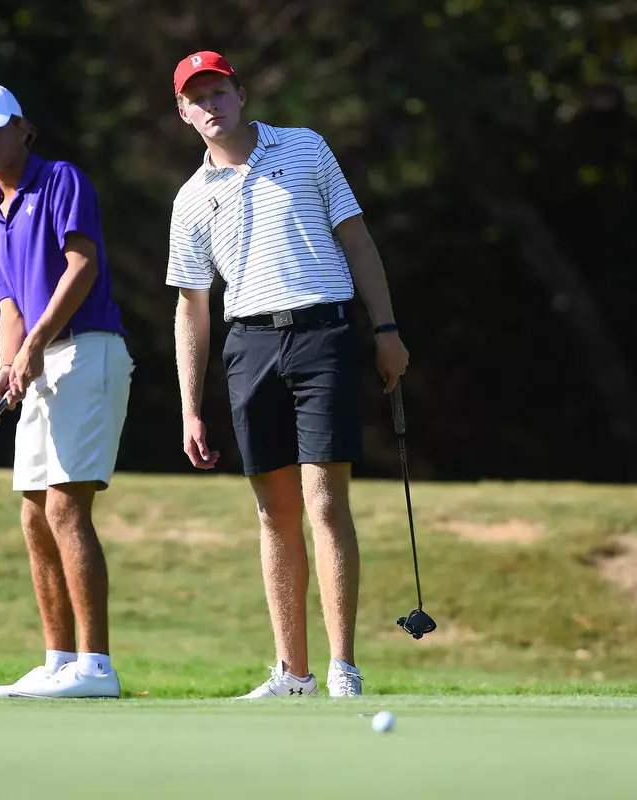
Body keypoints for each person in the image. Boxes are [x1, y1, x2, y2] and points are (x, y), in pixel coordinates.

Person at [165, 52, 410, 698]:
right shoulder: (192, 199)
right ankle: (292, 672)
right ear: (183, 113)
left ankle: (342, 667)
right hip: (249, 346)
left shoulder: (304, 149)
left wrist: (386, 330)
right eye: (198, 98)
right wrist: (191, 404)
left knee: (325, 501)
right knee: (274, 513)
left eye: (220, 92)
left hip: (322, 333)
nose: (212, 106)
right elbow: (191, 305)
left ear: (241, 95)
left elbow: (357, 239)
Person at [0, 82, 134, 699]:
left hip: (88, 347)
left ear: (23, 129)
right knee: (34, 513)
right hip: (40, 360)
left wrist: (33, 347)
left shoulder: (61, 180)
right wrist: (9, 365)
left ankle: (97, 668)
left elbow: (81, 266)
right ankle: (58, 661)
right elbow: (9, 307)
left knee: (65, 506)